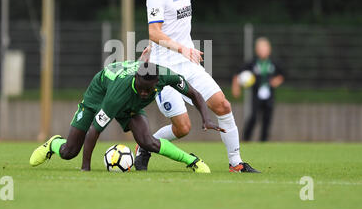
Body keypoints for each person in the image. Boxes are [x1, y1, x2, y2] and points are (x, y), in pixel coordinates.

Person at [136, 0, 259, 173]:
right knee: (182, 128)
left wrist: (185, 51)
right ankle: (145, 145)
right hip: (163, 70)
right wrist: (180, 48)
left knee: (222, 105)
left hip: (188, 64)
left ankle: (236, 163)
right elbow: (153, 32)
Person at [29, 60, 225, 173]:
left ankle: (192, 162)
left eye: (150, 90)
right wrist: (85, 168)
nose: (145, 94)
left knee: (147, 141)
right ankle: (54, 143)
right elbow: (94, 131)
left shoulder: (165, 76)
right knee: (69, 152)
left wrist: (206, 118)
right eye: (141, 88)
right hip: (99, 95)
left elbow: (195, 94)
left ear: (158, 81)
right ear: (135, 79)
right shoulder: (116, 95)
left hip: (128, 103)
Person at [231, 37, 285, 142]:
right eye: (260, 48)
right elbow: (237, 74)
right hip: (256, 94)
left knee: (267, 118)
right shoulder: (252, 63)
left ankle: (264, 141)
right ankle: (246, 139)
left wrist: (277, 80)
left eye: (265, 48)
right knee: (253, 117)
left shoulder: (274, 63)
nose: (262, 51)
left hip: (270, 95)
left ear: (269, 49)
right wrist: (236, 87)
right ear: (256, 50)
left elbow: (282, 75)